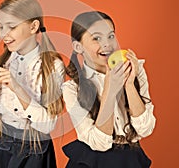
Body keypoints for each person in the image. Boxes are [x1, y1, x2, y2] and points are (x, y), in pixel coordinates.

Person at [0, 0, 65, 168]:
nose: (4, 34)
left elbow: (48, 125)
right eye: (1, 27)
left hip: (33, 152)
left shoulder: (52, 66)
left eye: (12, 27)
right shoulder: (0, 63)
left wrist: (17, 88)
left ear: (33, 27)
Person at [62, 11, 156, 168]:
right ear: (78, 47)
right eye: (96, 38)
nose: (107, 44)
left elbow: (145, 128)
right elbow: (100, 143)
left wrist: (129, 84)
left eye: (111, 36)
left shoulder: (135, 69)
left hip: (130, 158)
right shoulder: (71, 89)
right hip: (91, 161)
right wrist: (110, 89)